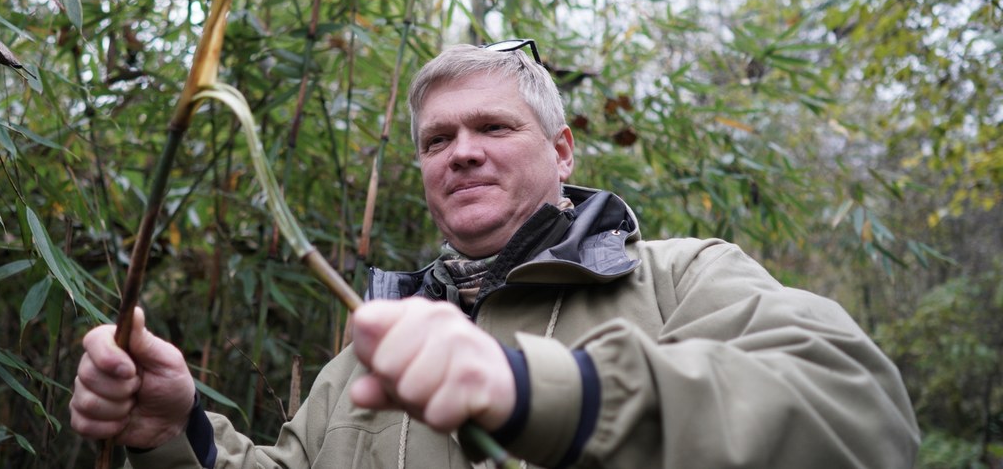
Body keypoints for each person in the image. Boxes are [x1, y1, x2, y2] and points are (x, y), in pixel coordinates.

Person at [70, 40, 920, 468]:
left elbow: (861, 414)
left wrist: (547, 391)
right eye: (439, 139)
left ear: (562, 151)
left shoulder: (681, 278)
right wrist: (177, 431)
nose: (462, 152)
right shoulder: (369, 357)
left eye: (493, 127)